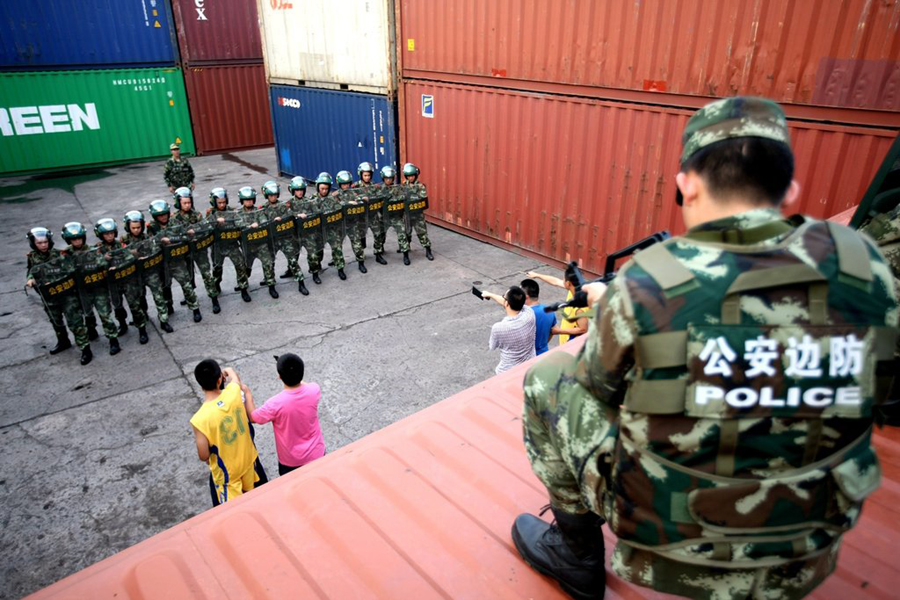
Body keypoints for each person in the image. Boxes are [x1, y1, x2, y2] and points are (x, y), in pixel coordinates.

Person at [511, 97, 900, 600]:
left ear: (686, 185)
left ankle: (577, 556)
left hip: (674, 534)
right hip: (808, 541)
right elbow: (880, 388)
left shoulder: (651, 281)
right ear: (791, 190)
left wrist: (621, 310)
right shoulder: (864, 264)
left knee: (547, 380)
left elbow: (600, 385)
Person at [191, 360, 266, 506]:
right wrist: (227, 371)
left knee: (232, 513)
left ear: (200, 385)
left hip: (228, 477)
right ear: (220, 379)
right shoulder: (234, 393)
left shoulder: (199, 419)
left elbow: (204, 455)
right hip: (249, 464)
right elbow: (235, 378)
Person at [243, 353, 326, 476]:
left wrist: (247, 393)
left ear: (280, 377)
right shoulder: (314, 390)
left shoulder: (275, 404)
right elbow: (303, 384)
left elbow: (254, 417)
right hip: (317, 453)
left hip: (292, 462)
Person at [25, 227, 92, 364]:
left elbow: (71, 270)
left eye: (45, 242)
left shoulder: (60, 254)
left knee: (75, 321)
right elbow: (31, 270)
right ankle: (63, 341)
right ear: (33, 244)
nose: (43, 245)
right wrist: (31, 278)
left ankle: (85, 348)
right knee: (56, 321)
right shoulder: (32, 257)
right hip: (49, 295)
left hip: (66, 294)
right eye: (39, 243)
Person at [61, 222, 120, 356]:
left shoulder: (94, 250)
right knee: (81, 319)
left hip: (98, 288)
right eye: (73, 239)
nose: (77, 241)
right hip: (79, 291)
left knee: (105, 316)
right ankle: (86, 348)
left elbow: (102, 262)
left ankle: (113, 340)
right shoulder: (65, 254)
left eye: (79, 238)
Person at [95, 218, 149, 344]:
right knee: (117, 306)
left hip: (127, 280)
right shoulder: (98, 249)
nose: (109, 236)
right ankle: (122, 324)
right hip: (112, 283)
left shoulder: (121, 244)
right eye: (106, 234)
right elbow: (95, 264)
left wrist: (119, 264)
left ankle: (142, 329)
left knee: (134, 305)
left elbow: (130, 257)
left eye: (111, 233)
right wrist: (104, 259)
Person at [147, 199, 202, 323]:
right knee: (165, 287)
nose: (163, 217)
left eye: (165, 214)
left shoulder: (175, 222)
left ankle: (195, 308)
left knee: (186, 285)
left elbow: (185, 236)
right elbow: (150, 244)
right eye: (160, 215)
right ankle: (169, 306)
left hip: (177, 261)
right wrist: (160, 242)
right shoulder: (152, 227)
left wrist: (175, 239)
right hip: (162, 263)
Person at [122, 210, 174, 333]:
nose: (136, 230)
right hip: (134, 275)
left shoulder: (147, 237)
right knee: (139, 298)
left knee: (158, 296)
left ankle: (164, 320)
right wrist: (130, 254)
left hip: (150, 272)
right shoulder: (124, 241)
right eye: (133, 228)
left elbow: (155, 249)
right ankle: (142, 323)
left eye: (138, 227)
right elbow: (120, 256)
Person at [173, 187, 221, 314]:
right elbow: (173, 235)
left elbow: (205, 229)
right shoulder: (174, 219)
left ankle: (214, 299)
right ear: (179, 203)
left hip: (199, 250)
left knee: (207, 274)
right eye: (184, 203)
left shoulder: (197, 215)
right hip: (184, 252)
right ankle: (193, 305)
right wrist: (185, 235)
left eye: (189, 202)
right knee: (187, 278)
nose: (187, 205)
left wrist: (196, 234)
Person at [261, 180, 308, 295]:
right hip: (272, 239)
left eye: (275, 195)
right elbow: (261, 220)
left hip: (285, 238)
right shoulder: (263, 208)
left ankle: (301, 283)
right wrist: (271, 221)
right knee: (269, 262)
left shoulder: (283, 205)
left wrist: (298, 215)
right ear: (267, 196)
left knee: (293, 260)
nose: (273, 197)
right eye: (270, 195)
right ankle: (271, 285)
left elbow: (291, 214)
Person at [207, 187, 251, 303]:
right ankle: (216, 285)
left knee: (240, 265)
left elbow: (239, 221)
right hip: (218, 246)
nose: (222, 205)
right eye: (219, 203)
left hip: (232, 244)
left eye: (223, 202)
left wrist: (246, 226)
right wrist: (215, 222)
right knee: (217, 268)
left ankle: (243, 288)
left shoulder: (231, 211)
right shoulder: (211, 213)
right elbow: (206, 228)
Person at [481, 285, 536, 374]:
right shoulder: (530, 313)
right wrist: (490, 295)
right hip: (529, 366)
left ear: (506, 303)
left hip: (507, 371)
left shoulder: (499, 328)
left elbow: (492, 346)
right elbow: (513, 303)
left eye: (504, 297)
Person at [527, 267, 589, 343]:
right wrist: (537, 275)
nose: (562, 281)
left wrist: (559, 331)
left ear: (568, 283)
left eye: (564, 279)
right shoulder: (574, 289)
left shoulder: (579, 308)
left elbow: (583, 329)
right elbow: (555, 281)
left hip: (571, 345)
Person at [237, 186, 279, 299]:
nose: (249, 202)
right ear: (242, 201)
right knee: (243, 268)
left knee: (268, 263)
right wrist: (249, 226)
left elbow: (264, 222)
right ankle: (243, 289)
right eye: (246, 200)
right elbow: (237, 225)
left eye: (251, 199)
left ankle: (271, 286)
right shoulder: (238, 213)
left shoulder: (259, 211)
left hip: (261, 244)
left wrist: (258, 224)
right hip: (247, 247)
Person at [289, 176, 327, 285]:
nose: (300, 192)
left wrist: (310, 215)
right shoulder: (289, 203)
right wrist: (297, 215)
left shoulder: (310, 201)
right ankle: (290, 270)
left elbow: (317, 212)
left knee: (313, 255)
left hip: (308, 233)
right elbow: (285, 214)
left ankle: (315, 273)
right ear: (293, 191)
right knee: (292, 256)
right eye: (297, 190)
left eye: (301, 190)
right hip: (295, 234)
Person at [353, 161, 387, 265]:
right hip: (361, 217)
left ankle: (378, 253)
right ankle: (360, 257)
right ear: (361, 175)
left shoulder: (374, 186)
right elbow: (350, 197)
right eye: (365, 175)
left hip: (373, 215)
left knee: (378, 234)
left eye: (369, 175)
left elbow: (379, 196)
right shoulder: (355, 186)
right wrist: (360, 198)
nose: (367, 177)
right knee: (360, 237)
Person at [336, 170, 368, 274]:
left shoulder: (353, 192)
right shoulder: (335, 194)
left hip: (352, 223)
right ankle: (340, 268)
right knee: (337, 246)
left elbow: (359, 198)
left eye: (347, 184)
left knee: (357, 244)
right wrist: (346, 203)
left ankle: (361, 263)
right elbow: (333, 204)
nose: (345, 186)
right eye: (343, 184)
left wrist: (362, 198)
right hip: (340, 224)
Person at [401, 162, 434, 261]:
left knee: (422, 233)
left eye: (412, 176)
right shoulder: (403, 185)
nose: (410, 178)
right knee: (406, 233)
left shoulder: (420, 186)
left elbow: (423, 198)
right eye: (408, 176)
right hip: (407, 214)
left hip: (417, 214)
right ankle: (405, 253)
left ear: (415, 175)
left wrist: (411, 198)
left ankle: (428, 250)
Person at [379, 166, 411, 265]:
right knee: (380, 235)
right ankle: (379, 252)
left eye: (390, 178)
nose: (388, 180)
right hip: (385, 216)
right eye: (386, 178)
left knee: (402, 234)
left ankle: (405, 255)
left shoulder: (397, 188)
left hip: (397, 216)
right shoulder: (378, 188)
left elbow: (403, 197)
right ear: (383, 178)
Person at [318, 173, 348, 281]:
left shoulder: (333, 198)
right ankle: (316, 270)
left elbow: (340, 206)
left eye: (326, 188)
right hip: (320, 230)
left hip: (332, 229)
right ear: (318, 188)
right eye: (322, 188)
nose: (324, 191)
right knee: (317, 252)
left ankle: (340, 269)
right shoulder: (313, 200)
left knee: (337, 248)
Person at [520, 278, 556, 355]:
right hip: (543, 354)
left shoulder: (524, 315)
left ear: (526, 297)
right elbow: (552, 331)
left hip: (527, 358)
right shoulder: (549, 310)